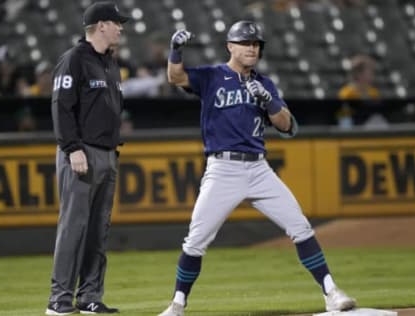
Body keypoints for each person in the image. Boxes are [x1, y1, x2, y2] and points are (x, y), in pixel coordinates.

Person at [159, 20, 357, 316]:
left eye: (256, 44)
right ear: (230, 46)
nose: (252, 48)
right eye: (246, 43)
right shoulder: (213, 76)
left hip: (258, 169)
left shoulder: (264, 83)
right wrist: (175, 51)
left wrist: (269, 103)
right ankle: (177, 304)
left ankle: (331, 292)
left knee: (300, 227)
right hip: (222, 169)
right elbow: (176, 78)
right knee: (196, 240)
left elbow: (288, 126)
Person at [46, 2, 129, 315]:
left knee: (98, 229)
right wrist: (71, 147)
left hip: (107, 154)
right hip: (81, 154)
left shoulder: (109, 63)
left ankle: (90, 296)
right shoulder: (74, 59)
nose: (121, 27)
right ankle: (59, 300)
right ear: (102, 25)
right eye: (117, 22)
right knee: (73, 227)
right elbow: (61, 106)